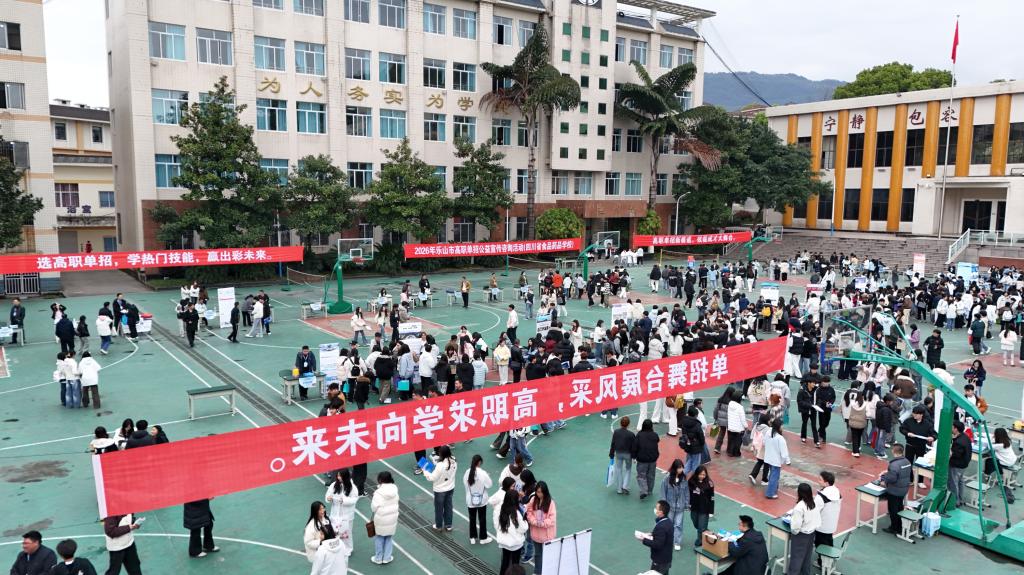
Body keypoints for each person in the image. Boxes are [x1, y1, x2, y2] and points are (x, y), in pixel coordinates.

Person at [786, 483, 821, 575]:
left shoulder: (799, 507)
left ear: (799, 493)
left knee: (796, 557)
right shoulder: (813, 503)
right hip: (811, 534)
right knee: (807, 556)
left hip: (801, 535)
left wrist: (794, 532)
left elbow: (795, 527)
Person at [879, 444, 912, 535]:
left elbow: (892, 478)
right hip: (904, 489)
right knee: (899, 507)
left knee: (893, 509)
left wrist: (884, 480)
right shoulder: (907, 461)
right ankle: (900, 526)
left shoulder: (893, 465)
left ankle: (894, 528)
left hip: (894, 491)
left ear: (893, 451)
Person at [525, 481, 557, 574]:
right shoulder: (533, 500)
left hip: (547, 536)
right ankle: (537, 572)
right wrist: (534, 521)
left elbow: (552, 519)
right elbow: (528, 512)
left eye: (541, 492)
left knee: (547, 555)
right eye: (537, 492)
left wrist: (542, 523)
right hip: (536, 535)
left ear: (545, 492)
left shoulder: (551, 503)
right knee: (538, 555)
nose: (539, 494)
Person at [495, 490, 528, 575]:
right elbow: (523, 528)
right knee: (515, 565)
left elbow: (497, 524)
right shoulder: (516, 513)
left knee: (505, 562)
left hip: (504, 542)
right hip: (516, 543)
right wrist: (525, 521)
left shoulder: (502, 509)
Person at [425, 445, 457, 531]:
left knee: (439, 509)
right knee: (448, 507)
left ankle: (439, 525)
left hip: (440, 490)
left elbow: (432, 478)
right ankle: (448, 525)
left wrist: (426, 471)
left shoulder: (440, 465)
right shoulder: (454, 460)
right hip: (450, 488)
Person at [370, 471, 399, 565]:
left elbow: (373, 507)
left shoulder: (378, 493)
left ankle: (378, 558)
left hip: (381, 518)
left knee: (379, 537)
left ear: (380, 480)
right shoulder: (394, 489)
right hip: (392, 517)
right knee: (389, 537)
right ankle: (387, 557)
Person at [464, 454, 493, 545]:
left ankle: (472, 537)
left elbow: (465, 484)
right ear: (479, 462)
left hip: (470, 499)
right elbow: (489, 485)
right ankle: (483, 538)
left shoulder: (467, 472)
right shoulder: (483, 473)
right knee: (482, 518)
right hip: (482, 500)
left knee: (472, 518)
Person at [638, 500, 674, 575]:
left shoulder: (661, 526)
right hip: (666, 559)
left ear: (661, 512)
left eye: (657, 508)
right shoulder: (668, 522)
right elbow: (663, 535)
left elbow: (658, 544)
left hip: (659, 561)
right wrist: (652, 534)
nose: (655, 510)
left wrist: (644, 539)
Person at [660, 459, 688, 551]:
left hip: (680, 507)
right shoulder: (667, 479)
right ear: (674, 468)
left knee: (678, 525)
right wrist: (664, 505)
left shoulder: (684, 479)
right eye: (679, 468)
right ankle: (667, 540)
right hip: (670, 507)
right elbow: (663, 492)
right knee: (668, 524)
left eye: (682, 467)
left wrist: (686, 503)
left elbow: (686, 492)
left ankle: (677, 542)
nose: (681, 469)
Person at [326, 469, 359, 545]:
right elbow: (328, 494)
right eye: (338, 476)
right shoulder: (334, 485)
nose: (338, 477)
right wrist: (328, 498)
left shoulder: (352, 487)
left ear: (345, 476)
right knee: (335, 532)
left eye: (340, 476)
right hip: (335, 514)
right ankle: (338, 548)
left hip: (347, 516)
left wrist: (344, 500)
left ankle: (347, 548)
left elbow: (354, 499)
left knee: (346, 533)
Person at [688, 465, 715, 550]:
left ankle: (699, 543)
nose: (702, 476)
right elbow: (688, 494)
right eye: (700, 474)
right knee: (696, 523)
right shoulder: (691, 481)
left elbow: (712, 497)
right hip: (694, 507)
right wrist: (688, 504)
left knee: (701, 527)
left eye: (704, 474)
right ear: (697, 474)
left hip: (704, 509)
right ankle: (707, 532)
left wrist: (711, 511)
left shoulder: (710, 484)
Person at [633, 419, 660, 500]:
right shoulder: (655, 435)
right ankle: (649, 490)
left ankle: (644, 490)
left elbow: (635, 447)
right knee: (651, 475)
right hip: (653, 459)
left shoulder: (639, 435)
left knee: (641, 475)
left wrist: (634, 456)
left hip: (642, 459)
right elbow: (657, 440)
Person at [763, 419, 790, 499]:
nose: (783, 427)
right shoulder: (780, 438)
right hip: (776, 460)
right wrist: (787, 461)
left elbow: (764, 442)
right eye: (782, 426)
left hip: (768, 458)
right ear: (778, 426)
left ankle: (774, 488)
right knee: (774, 476)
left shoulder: (768, 433)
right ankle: (770, 493)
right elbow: (784, 452)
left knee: (772, 474)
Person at [609, 416, 636, 495]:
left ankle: (619, 489)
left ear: (620, 423)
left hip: (618, 453)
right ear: (628, 424)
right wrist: (634, 457)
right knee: (628, 469)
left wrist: (611, 453)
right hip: (628, 454)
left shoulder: (616, 432)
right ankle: (625, 486)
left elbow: (613, 443)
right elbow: (634, 447)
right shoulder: (631, 434)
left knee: (619, 469)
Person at [816, 471, 841, 548]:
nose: (818, 481)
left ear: (826, 483)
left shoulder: (821, 497)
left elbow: (814, 511)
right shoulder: (837, 493)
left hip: (821, 527)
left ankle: (821, 557)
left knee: (820, 546)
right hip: (832, 526)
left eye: (820, 480)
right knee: (828, 541)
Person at [949, 421, 971, 506]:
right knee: (960, 481)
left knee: (953, 483)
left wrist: (950, 451)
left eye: (952, 427)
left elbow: (955, 454)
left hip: (957, 465)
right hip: (964, 464)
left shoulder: (958, 442)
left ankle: (955, 501)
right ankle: (960, 499)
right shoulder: (965, 437)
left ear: (956, 429)